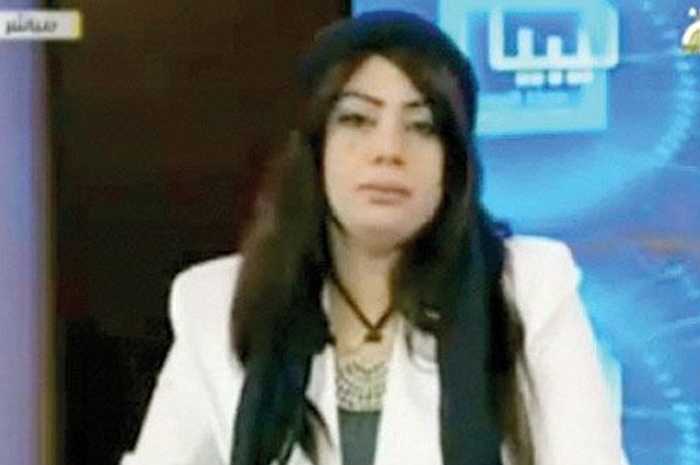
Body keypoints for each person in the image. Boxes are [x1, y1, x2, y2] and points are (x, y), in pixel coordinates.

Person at [120, 10, 629, 465]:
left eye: (423, 126)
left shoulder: (530, 290)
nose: (388, 150)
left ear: (453, 163)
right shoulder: (216, 305)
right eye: (357, 120)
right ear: (315, 147)